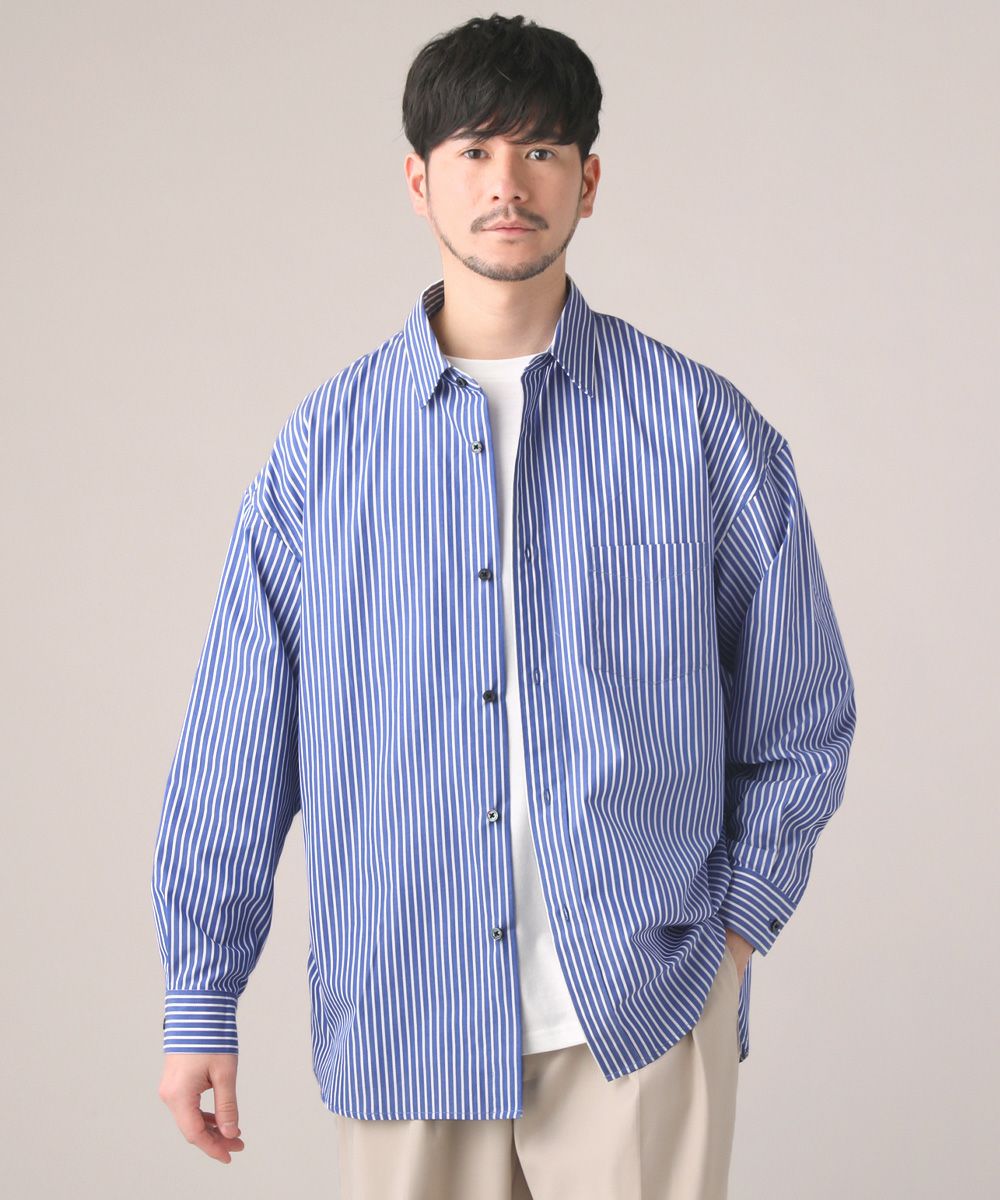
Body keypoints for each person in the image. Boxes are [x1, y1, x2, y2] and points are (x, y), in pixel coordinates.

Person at [151, 13, 857, 1198]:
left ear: (589, 179)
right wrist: (199, 995)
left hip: (641, 1010)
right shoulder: (324, 453)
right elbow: (239, 737)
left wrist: (733, 934)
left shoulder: (699, 430)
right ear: (418, 180)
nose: (506, 184)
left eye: (539, 151)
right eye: (474, 150)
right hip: (405, 1011)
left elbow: (801, 716)